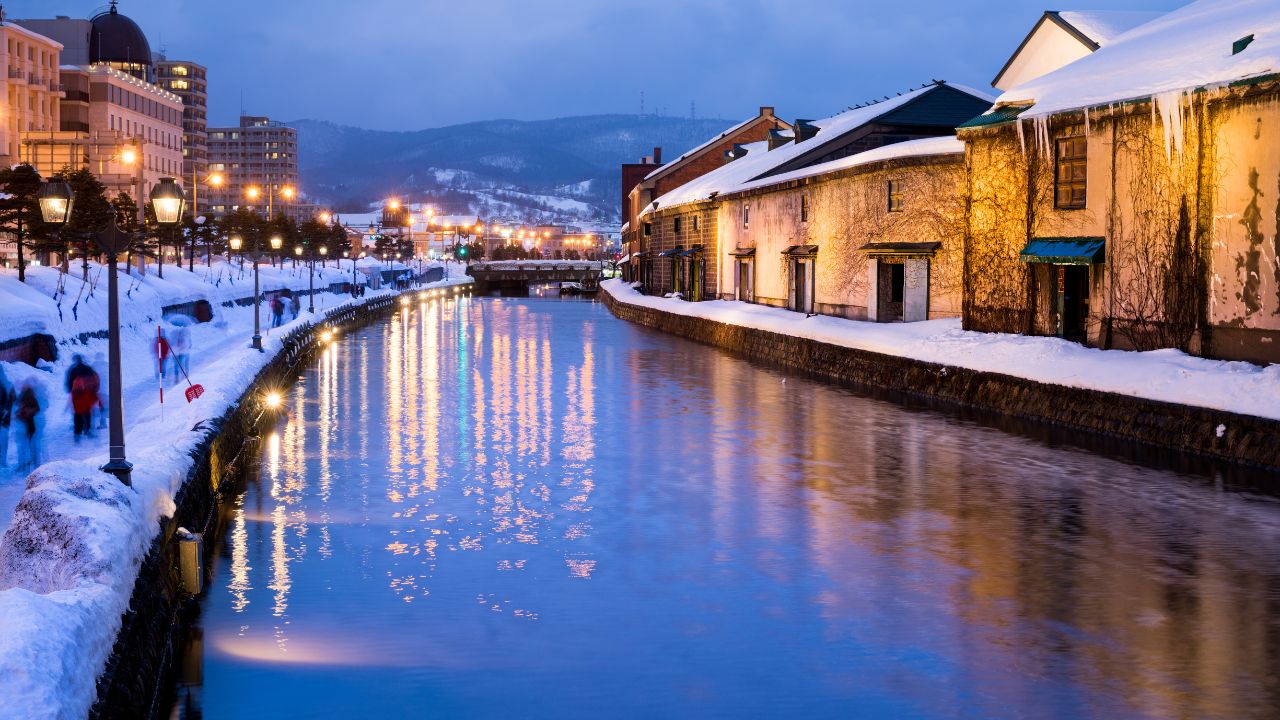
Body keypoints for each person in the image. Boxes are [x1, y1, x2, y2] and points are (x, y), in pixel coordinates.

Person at [66, 355, 99, 441]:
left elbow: (69, 382)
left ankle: (77, 433)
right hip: (87, 394)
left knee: (77, 414)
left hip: (77, 395)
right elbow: (95, 379)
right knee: (87, 412)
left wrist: (71, 391)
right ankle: (87, 430)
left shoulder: (73, 370)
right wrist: (94, 390)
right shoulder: (88, 368)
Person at [14, 380, 41, 470]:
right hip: (23, 424)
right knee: (23, 445)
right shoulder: (22, 396)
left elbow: (37, 408)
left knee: (29, 444)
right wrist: (18, 413)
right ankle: (25, 463)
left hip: (29, 424)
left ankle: (33, 463)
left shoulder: (30, 397)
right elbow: (19, 407)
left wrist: (28, 412)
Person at [0, 367, 13, 468]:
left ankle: (3, 461)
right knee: (4, 440)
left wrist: (6, 410)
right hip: (5, 419)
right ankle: (3, 461)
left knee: (3, 439)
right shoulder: (8, 383)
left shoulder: (6, 385)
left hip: (4, 418)